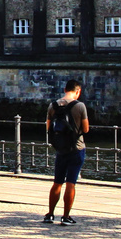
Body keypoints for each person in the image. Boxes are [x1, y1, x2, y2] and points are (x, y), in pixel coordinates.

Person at [45, 79, 89, 225]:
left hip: (61, 149)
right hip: (77, 148)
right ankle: (65, 216)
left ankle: (50, 214)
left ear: (64, 89)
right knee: (71, 183)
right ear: (78, 91)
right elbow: (86, 129)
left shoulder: (53, 105)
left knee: (57, 182)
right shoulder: (80, 106)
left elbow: (48, 127)